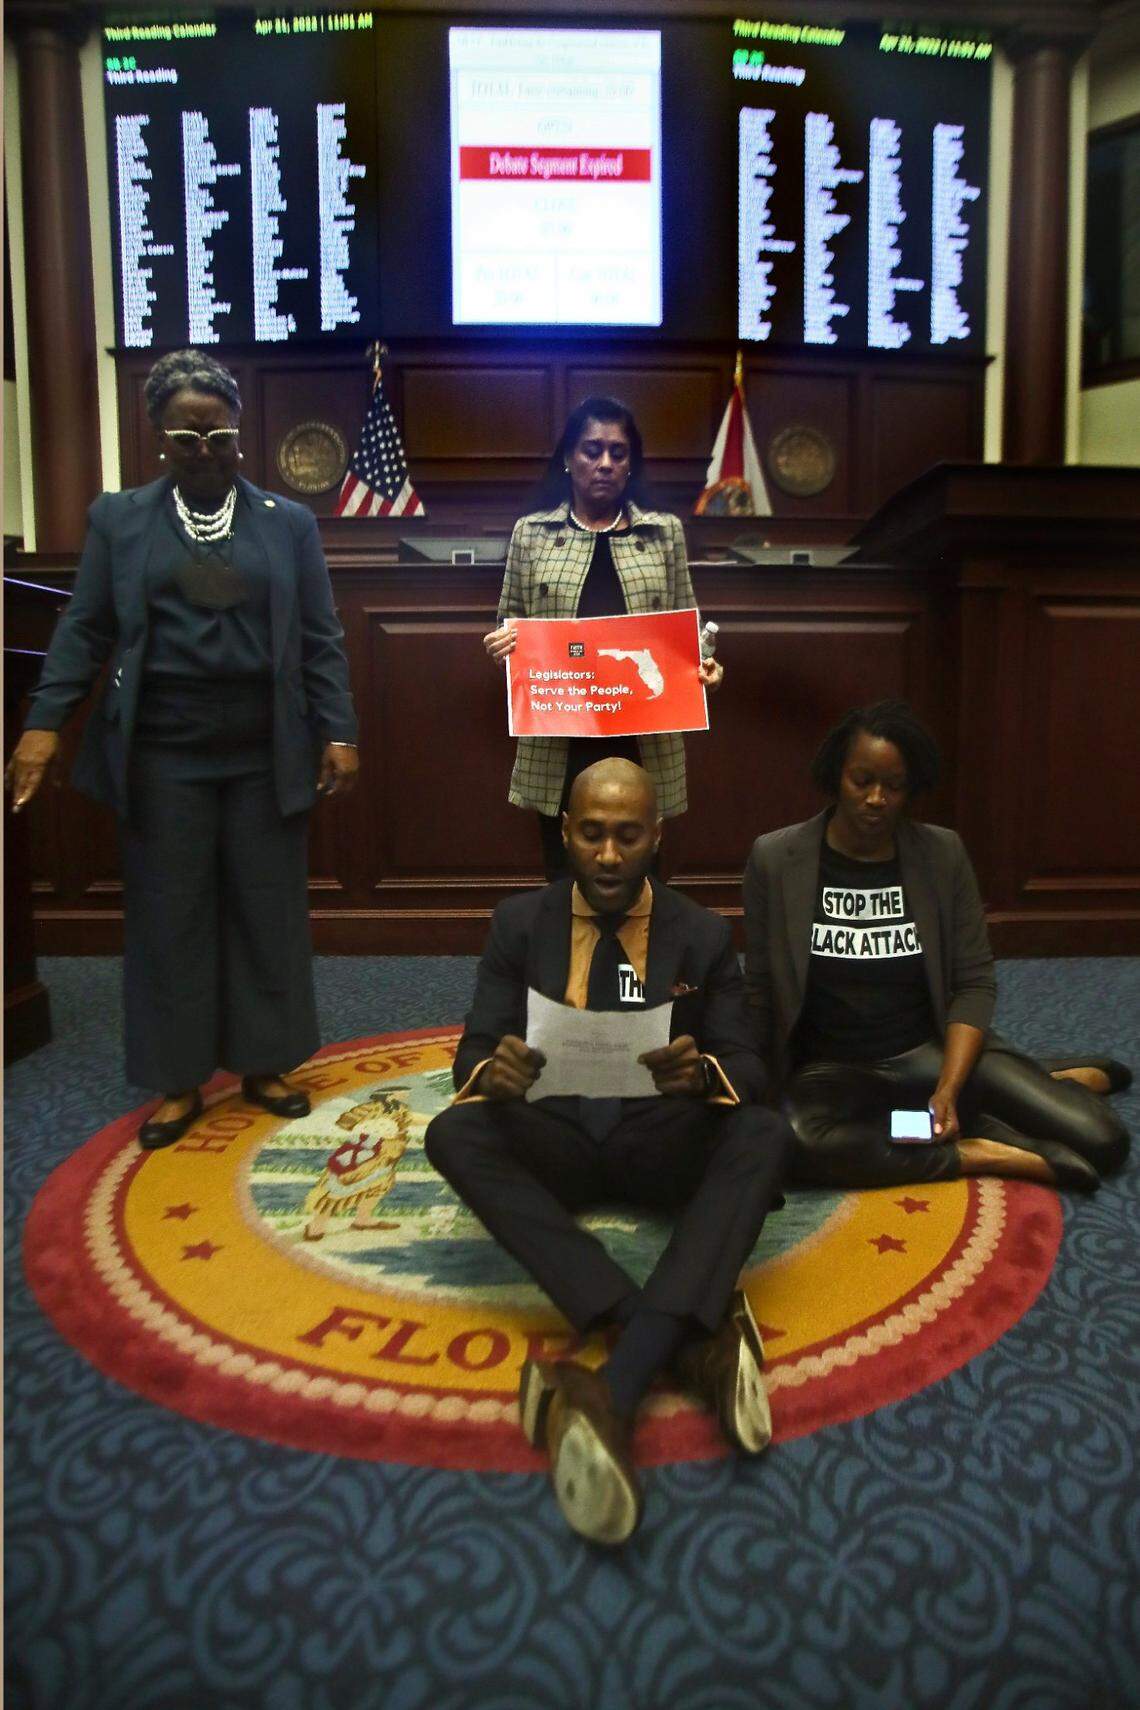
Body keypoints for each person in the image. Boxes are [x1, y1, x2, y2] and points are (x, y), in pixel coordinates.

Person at [424, 758, 791, 1545]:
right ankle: (681, 1343)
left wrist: (704, 1074)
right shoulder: (518, 924)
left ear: (658, 836)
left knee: (764, 1131)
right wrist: (497, 1072)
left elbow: (749, 1064)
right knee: (451, 1132)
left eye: (628, 835)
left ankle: (614, 1385)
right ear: (566, 833)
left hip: (660, 1136)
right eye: (592, 834)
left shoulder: (702, 934)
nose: (610, 855)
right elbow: (473, 1053)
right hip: (555, 1133)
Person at [5, 349, 359, 1148]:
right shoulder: (120, 519)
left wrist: (339, 730)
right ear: (158, 436)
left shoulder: (286, 522)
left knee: (266, 908)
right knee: (171, 914)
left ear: (240, 433)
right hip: (164, 751)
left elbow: (319, 635)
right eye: (186, 438)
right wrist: (43, 722)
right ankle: (178, 1077)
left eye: (219, 437)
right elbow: (84, 628)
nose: (205, 452)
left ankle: (265, 1063)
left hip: (265, 748)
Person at [742, 701, 1131, 1194]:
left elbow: (973, 983)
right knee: (791, 1140)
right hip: (831, 1070)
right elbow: (760, 988)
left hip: (928, 1052)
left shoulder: (942, 854)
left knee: (1104, 1141)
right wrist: (748, 1079)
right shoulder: (776, 859)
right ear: (836, 775)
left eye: (894, 786)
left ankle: (1020, 1085)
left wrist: (947, 1087)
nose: (877, 798)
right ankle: (979, 1149)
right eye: (862, 781)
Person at [483, 396, 723, 878]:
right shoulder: (531, 533)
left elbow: (687, 630)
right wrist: (501, 648)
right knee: (564, 869)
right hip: (560, 734)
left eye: (618, 452)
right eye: (592, 450)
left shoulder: (664, 532)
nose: (606, 463)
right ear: (569, 459)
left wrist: (704, 667)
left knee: (642, 869)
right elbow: (510, 622)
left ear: (631, 464)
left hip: (644, 731)